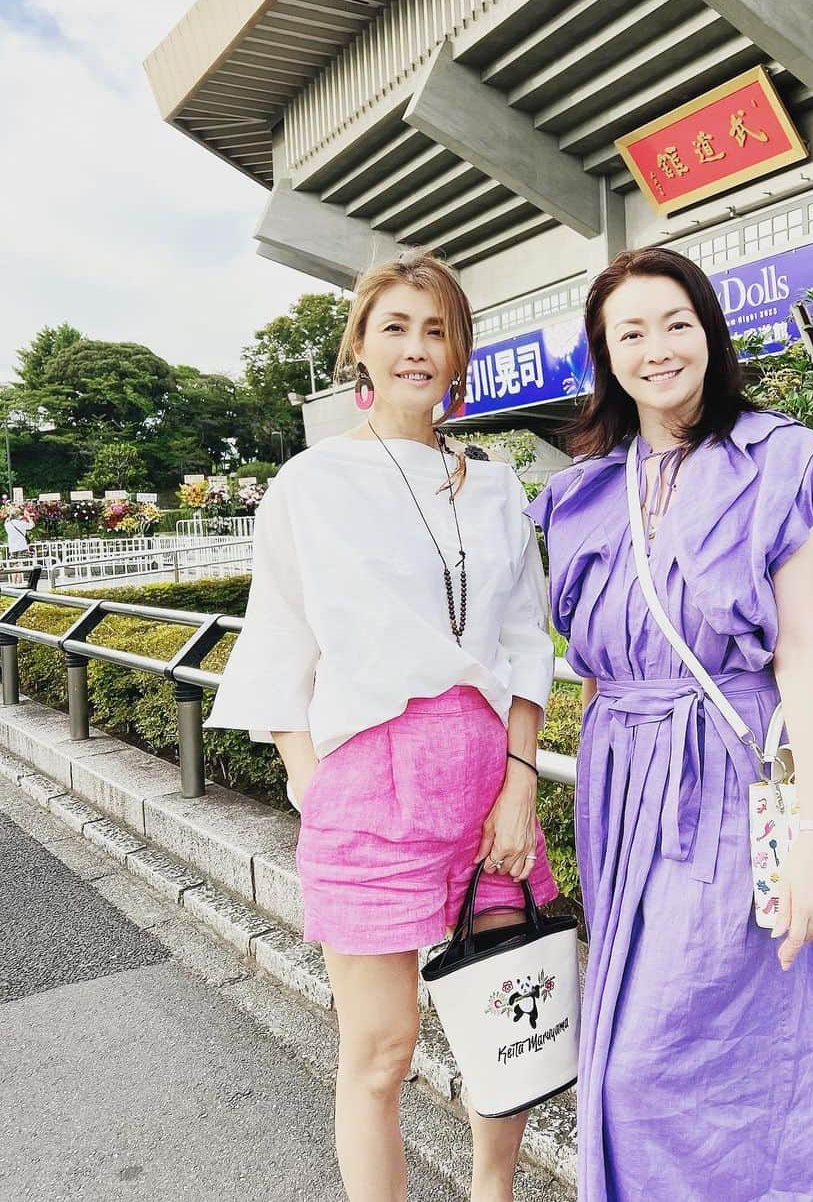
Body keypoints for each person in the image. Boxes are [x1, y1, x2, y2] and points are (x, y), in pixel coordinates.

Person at [526, 247, 813, 1200]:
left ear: (709, 332)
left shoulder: (779, 459)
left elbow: (805, 651)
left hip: (733, 780)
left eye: (675, 322)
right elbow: (590, 674)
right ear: (604, 355)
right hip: (621, 788)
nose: (657, 347)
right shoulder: (582, 493)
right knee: (628, 1063)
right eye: (629, 331)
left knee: (690, 1062)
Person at [205, 249, 558, 1202]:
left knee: (504, 1021)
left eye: (436, 329)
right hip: (368, 779)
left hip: (489, 775)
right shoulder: (310, 485)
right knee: (379, 1050)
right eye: (394, 328)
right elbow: (279, 640)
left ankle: (494, 1193)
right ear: (358, 346)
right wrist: (316, 783)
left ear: (459, 352)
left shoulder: (494, 488)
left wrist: (521, 781)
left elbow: (527, 644)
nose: (415, 348)